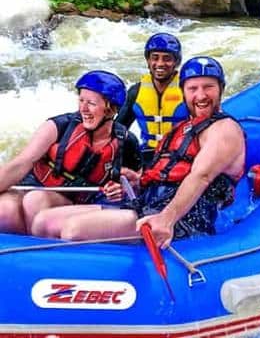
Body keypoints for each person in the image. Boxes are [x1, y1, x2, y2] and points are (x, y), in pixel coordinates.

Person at [32, 56, 246, 247]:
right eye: (193, 88)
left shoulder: (224, 129)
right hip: (147, 204)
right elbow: (166, 172)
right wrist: (137, 180)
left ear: (221, 89)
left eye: (208, 87)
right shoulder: (183, 128)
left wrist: (166, 219)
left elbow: (202, 175)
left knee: (73, 230)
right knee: (43, 222)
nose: (201, 95)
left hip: (185, 217)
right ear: (183, 92)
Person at [0, 71, 142, 235]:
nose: (83, 109)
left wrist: (123, 187)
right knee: (5, 211)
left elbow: (135, 187)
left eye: (91, 103)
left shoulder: (126, 142)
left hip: (79, 202)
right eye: (81, 100)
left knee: (35, 200)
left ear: (110, 110)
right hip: (37, 186)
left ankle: (44, 249)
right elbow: (19, 165)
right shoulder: (58, 127)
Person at [117, 33, 189, 164]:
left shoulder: (188, 90)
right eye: (155, 58)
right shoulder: (135, 92)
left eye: (167, 59)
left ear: (176, 62)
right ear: (148, 61)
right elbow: (118, 130)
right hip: (147, 155)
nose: (160, 64)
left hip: (181, 155)